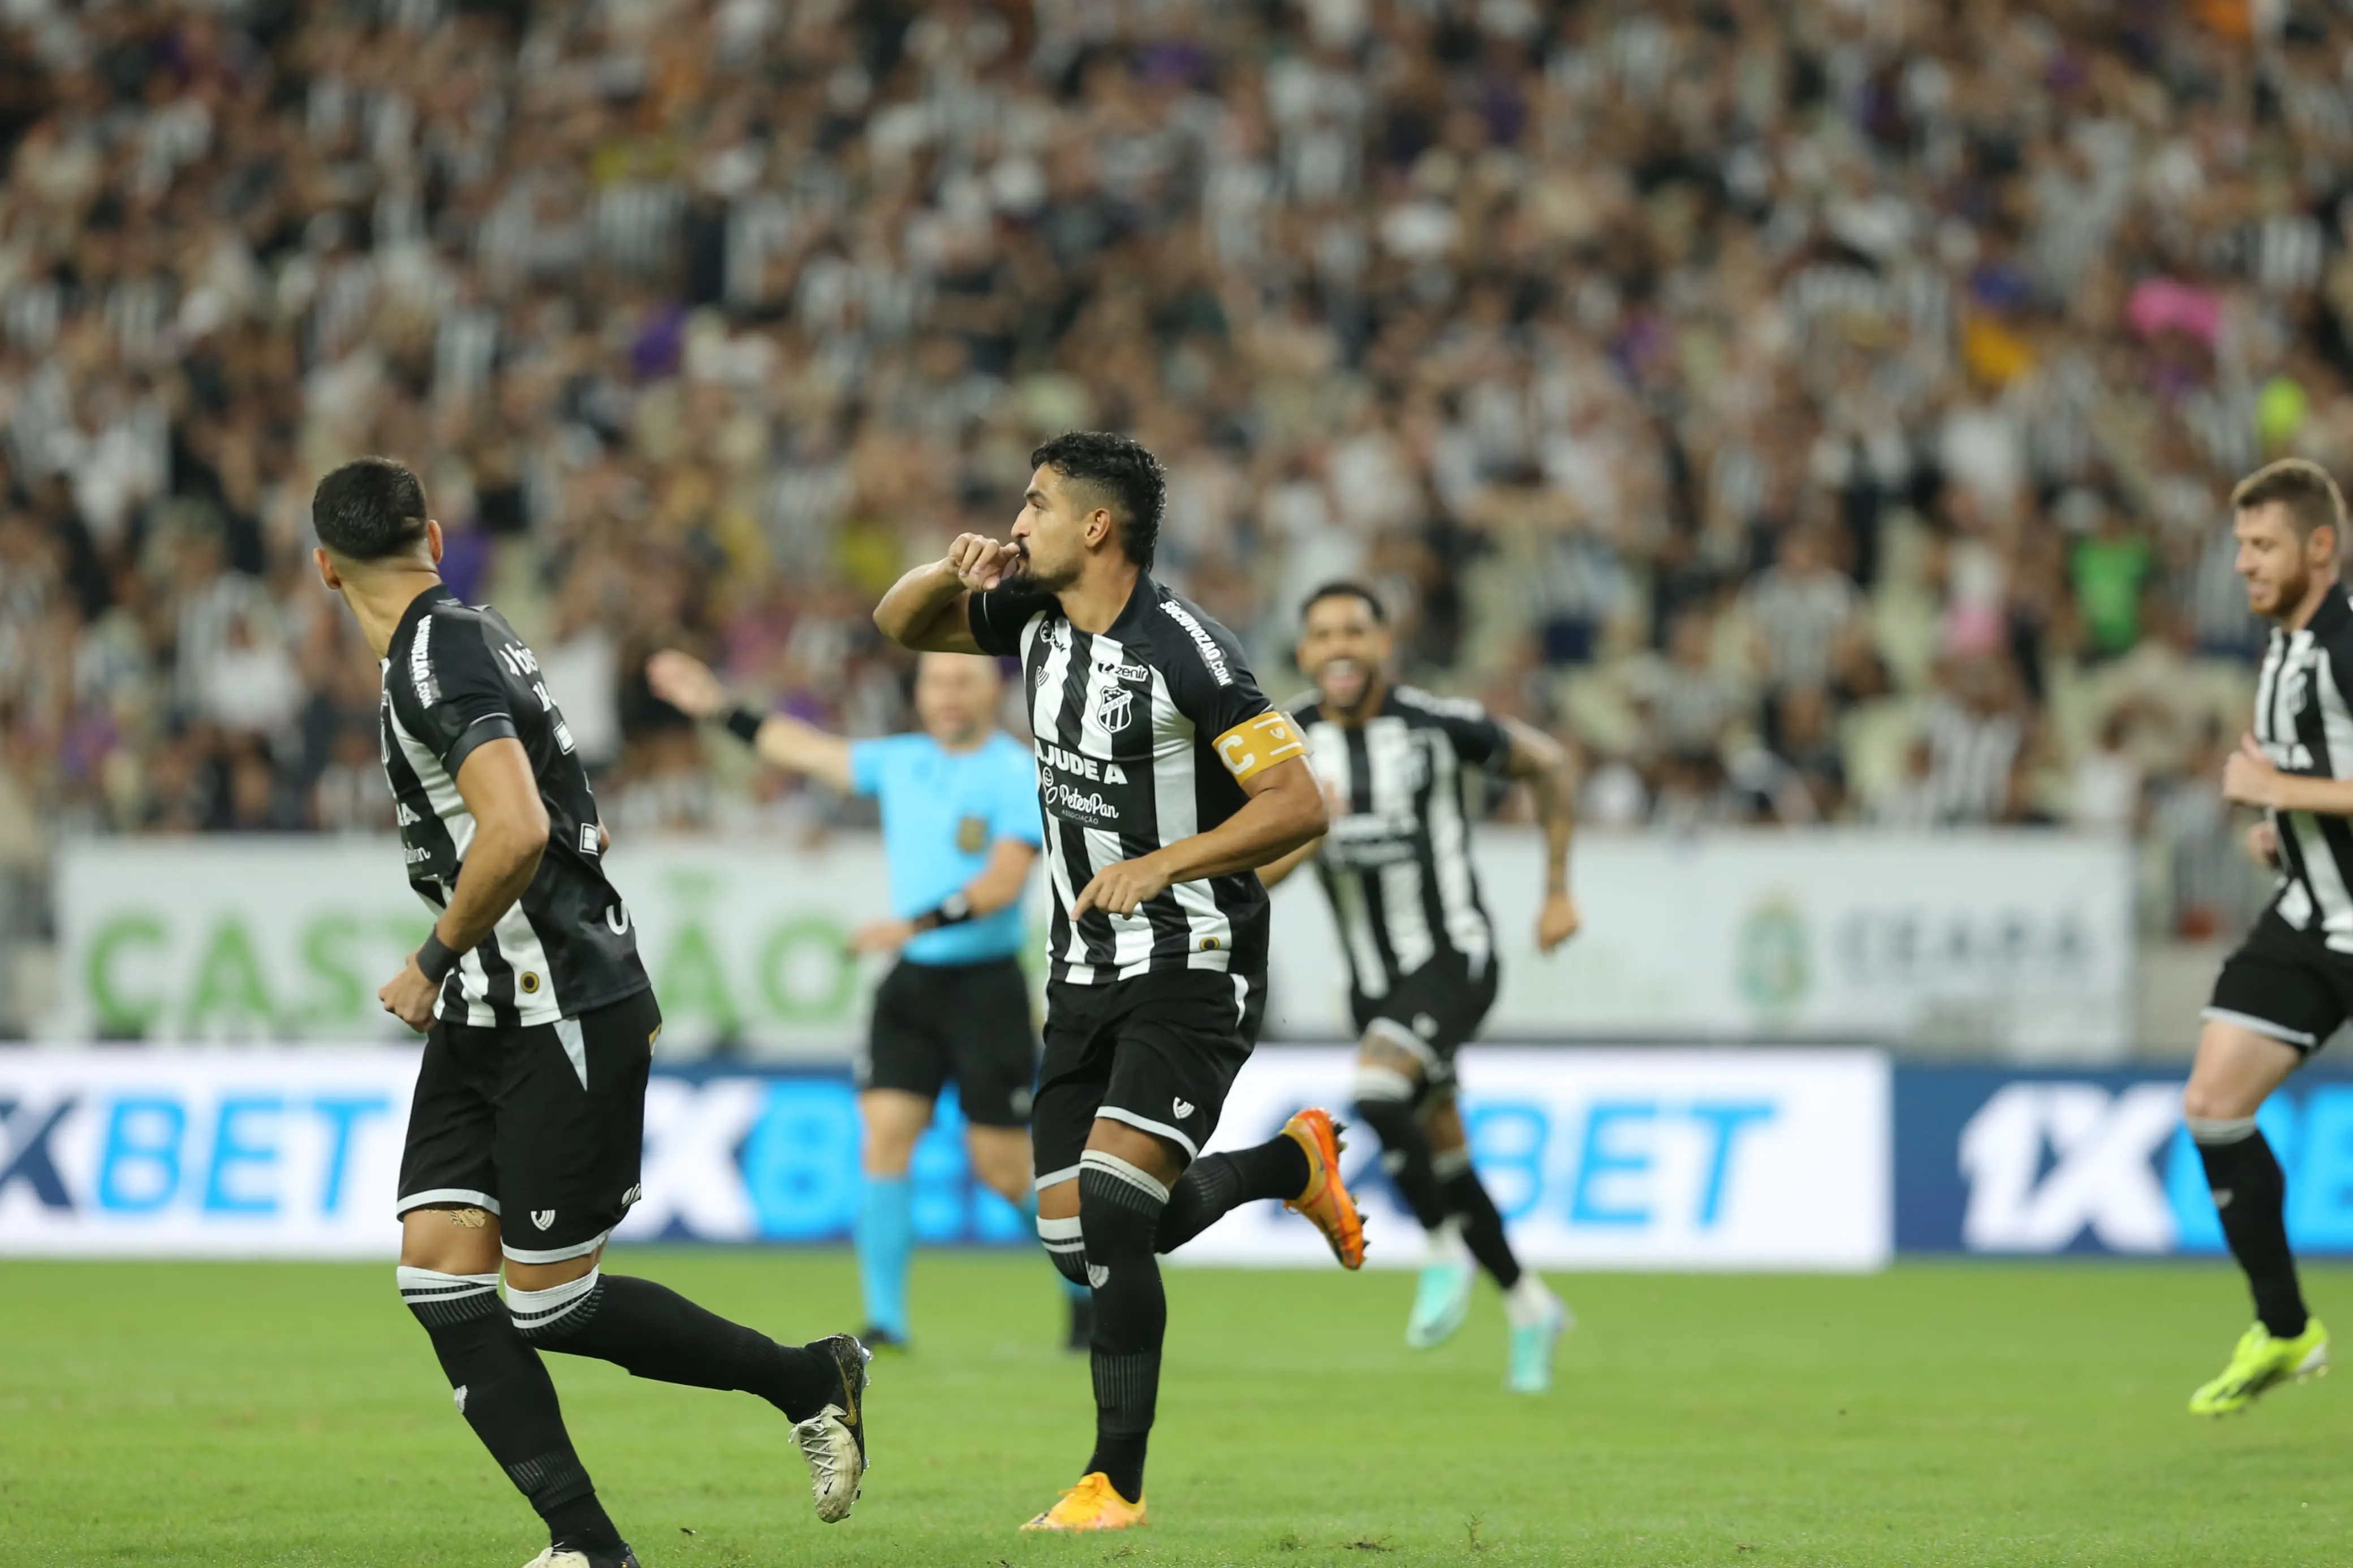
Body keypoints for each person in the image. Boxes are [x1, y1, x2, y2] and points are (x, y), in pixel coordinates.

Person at [310, 457, 869, 1568]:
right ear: (431, 529)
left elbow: (513, 829)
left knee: (550, 1305)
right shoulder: (471, 632)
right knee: (439, 1273)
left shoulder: (433, 654)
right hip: (495, 1005)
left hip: (559, 1004)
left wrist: (431, 955)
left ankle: (809, 1376)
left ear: (322, 565)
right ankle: (588, 1547)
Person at [872, 430, 1360, 1533]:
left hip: (1193, 960)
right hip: (1082, 973)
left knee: (1109, 1203)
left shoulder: (1191, 651)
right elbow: (898, 626)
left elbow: (1297, 804)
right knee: (1087, 1236)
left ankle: (1114, 1485)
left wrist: (1164, 862)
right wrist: (954, 574)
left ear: (1096, 526)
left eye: (1036, 504)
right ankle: (1290, 1162)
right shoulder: (1032, 618)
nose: (1020, 521)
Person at [644, 645, 1091, 1351]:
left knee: (1003, 1171)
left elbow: (1003, 886)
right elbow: (804, 750)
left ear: (990, 694)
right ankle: (886, 1321)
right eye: (935, 681)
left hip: (985, 987)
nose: (947, 694)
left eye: (962, 681)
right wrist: (712, 702)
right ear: (917, 693)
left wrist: (907, 924)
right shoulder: (903, 760)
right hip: (911, 984)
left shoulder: (1013, 774)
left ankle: (1084, 1284)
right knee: (884, 1140)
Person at [1260, 581, 1580, 1393]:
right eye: (1321, 632)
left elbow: (1550, 762)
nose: (1338, 645)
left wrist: (1555, 887)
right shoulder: (1285, 742)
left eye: (1354, 631)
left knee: (1374, 1087)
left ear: (1382, 644)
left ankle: (1439, 1250)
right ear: (1303, 652)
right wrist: (1305, 831)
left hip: (1453, 958)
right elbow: (1253, 875)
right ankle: (1530, 1304)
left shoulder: (1439, 726)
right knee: (1447, 1157)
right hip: (1375, 987)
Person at [2192, 457, 2353, 1414]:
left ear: (2320, 547)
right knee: (2213, 1103)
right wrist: (2286, 833)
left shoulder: (2344, 642)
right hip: (2313, 915)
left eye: (2265, 546)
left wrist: (2278, 793)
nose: (2246, 564)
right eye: (2242, 546)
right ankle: (2287, 1329)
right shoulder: (2282, 650)